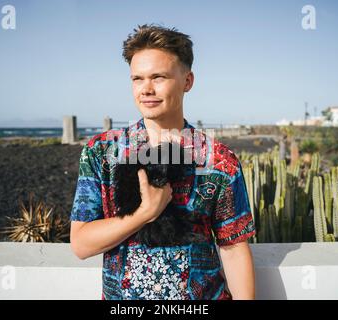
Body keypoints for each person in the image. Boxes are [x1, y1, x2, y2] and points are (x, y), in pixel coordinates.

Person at [70, 24, 256, 300]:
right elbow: (81, 243)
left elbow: (234, 249)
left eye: (158, 77)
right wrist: (145, 212)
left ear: (187, 81)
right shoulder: (101, 152)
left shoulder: (219, 161)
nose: (146, 89)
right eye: (137, 79)